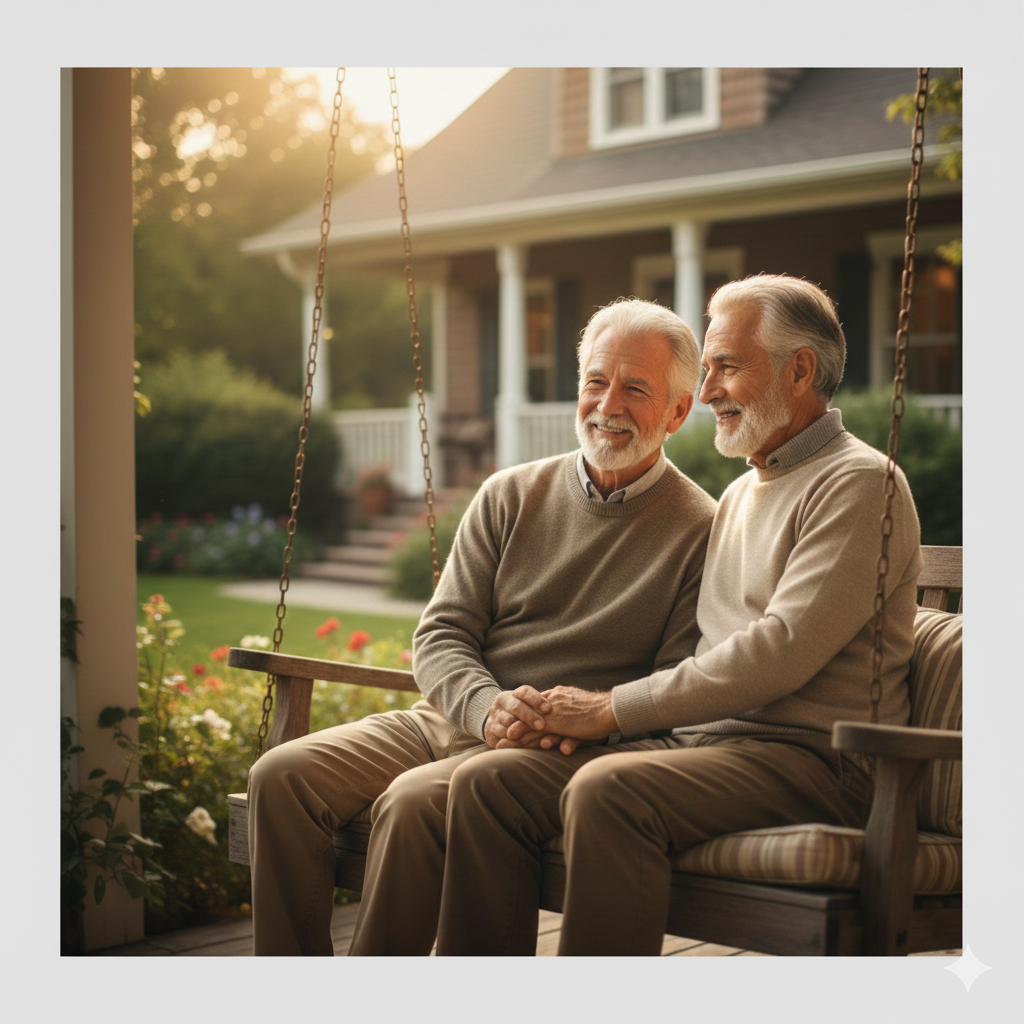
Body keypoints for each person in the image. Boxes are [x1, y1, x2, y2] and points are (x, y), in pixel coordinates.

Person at [432, 273, 923, 956]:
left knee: (608, 791)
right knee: (490, 784)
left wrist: (609, 711)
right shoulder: (748, 490)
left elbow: (779, 649)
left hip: (817, 763)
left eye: (727, 366)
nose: (710, 390)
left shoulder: (859, 483)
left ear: (800, 369)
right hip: (712, 748)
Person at [246, 297, 717, 954]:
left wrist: (557, 721)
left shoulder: (702, 530)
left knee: (410, 806)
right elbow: (441, 636)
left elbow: (670, 686)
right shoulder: (510, 493)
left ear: (677, 410)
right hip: (455, 719)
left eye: (635, 388)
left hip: (557, 752)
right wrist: (486, 707)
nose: (608, 403)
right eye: (594, 381)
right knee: (281, 776)